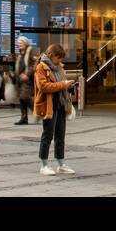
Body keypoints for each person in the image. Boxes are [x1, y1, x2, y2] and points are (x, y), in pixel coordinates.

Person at [34, 43, 76, 176]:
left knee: (60, 136)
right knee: (47, 135)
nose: (60, 61)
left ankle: (61, 164)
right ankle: (44, 164)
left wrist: (68, 86)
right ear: (51, 55)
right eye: (58, 58)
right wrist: (62, 85)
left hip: (61, 104)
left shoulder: (59, 67)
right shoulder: (41, 67)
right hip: (48, 105)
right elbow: (43, 86)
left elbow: (60, 85)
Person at [14, 36, 38, 125]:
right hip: (20, 80)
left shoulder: (31, 51)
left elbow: (35, 64)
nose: (19, 44)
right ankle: (24, 118)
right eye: (18, 43)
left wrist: (27, 74)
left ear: (26, 43)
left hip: (28, 80)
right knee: (21, 99)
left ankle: (37, 113)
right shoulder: (20, 54)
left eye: (21, 43)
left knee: (25, 97)